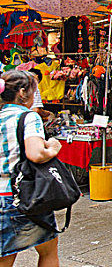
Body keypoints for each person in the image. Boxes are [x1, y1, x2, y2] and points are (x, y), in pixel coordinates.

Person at [0, 70, 62, 265]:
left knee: (4, 258)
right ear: (22, 92)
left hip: (1, 197)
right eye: (34, 92)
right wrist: (53, 148)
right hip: (24, 196)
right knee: (48, 251)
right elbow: (36, 153)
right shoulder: (27, 117)